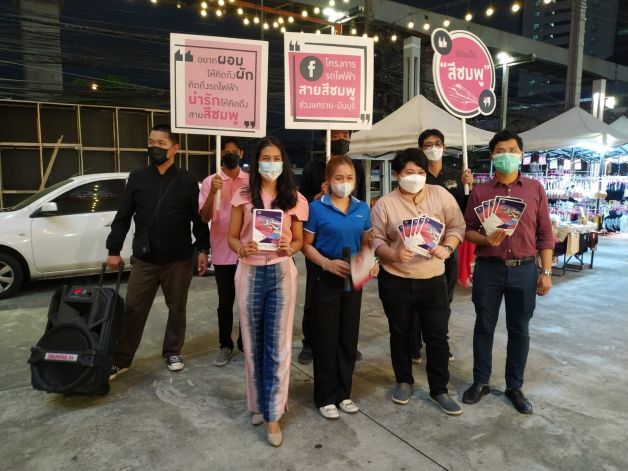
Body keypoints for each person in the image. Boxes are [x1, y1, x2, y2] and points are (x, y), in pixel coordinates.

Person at [462, 129, 554, 415]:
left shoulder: (535, 189)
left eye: (513, 150)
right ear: (492, 156)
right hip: (489, 269)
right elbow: (467, 230)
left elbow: (545, 233)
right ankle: (481, 381)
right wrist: (484, 239)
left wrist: (546, 271)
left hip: (524, 270)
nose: (507, 155)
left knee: (519, 330)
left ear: (521, 155)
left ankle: (515, 386)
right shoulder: (480, 192)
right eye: (501, 151)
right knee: (484, 327)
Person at [106, 124, 209, 379]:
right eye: (151, 142)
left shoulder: (187, 180)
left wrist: (203, 249)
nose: (155, 148)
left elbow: (198, 219)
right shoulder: (138, 177)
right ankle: (121, 358)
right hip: (145, 259)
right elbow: (123, 215)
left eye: (161, 143)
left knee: (177, 308)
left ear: (175, 148)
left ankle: (173, 351)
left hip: (179, 259)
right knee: (133, 308)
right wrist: (113, 249)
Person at [370, 148, 466, 415]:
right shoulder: (385, 204)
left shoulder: (441, 195)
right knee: (399, 333)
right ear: (397, 175)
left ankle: (439, 389)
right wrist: (392, 254)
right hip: (395, 279)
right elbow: (376, 239)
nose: (415, 177)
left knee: (437, 336)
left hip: (432, 278)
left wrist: (448, 247)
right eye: (409, 172)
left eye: (421, 172)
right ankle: (404, 380)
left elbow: (457, 226)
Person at [227, 136, 308, 447]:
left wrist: (291, 246)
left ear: (283, 162)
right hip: (249, 272)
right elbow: (232, 237)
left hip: (280, 272)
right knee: (252, 344)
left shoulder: (294, 198)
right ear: (256, 162)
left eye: (276, 158)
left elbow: (298, 241)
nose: (271, 163)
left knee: (278, 345)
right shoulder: (242, 196)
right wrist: (241, 247)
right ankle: (258, 405)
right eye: (265, 158)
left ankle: (273, 414)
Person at [302, 155, 377, 420]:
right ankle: (325, 396)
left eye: (349, 178)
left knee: (348, 337)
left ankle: (344, 394)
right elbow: (305, 245)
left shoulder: (362, 208)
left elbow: (366, 242)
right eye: (339, 178)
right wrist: (326, 264)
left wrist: (371, 262)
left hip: (354, 277)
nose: (344, 183)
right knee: (326, 338)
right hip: (326, 277)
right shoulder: (316, 208)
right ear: (328, 180)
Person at [297, 129, 366, 365]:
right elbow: (302, 205)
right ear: (325, 139)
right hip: (320, 245)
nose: (341, 140)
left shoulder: (357, 167)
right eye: (335, 136)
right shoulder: (312, 168)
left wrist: (369, 263)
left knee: (350, 305)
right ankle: (310, 342)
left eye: (345, 135)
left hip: (351, 247)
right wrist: (321, 195)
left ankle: (347, 344)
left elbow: (360, 204)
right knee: (315, 299)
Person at [411, 129, 474, 363]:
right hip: (420, 245)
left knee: (444, 300)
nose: (433, 148)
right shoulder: (416, 176)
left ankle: (439, 343)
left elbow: (466, 213)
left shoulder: (457, 176)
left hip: (448, 247)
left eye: (437, 143)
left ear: (445, 147)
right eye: (428, 145)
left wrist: (470, 188)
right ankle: (414, 344)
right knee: (417, 298)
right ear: (421, 149)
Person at [199, 137, 248, 366]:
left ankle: (245, 343)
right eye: (226, 152)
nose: (231, 155)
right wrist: (212, 193)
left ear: (241, 153)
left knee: (247, 301)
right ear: (220, 154)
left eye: (234, 151)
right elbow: (204, 217)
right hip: (222, 251)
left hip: (247, 251)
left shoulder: (251, 181)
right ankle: (225, 345)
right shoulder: (210, 181)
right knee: (225, 302)